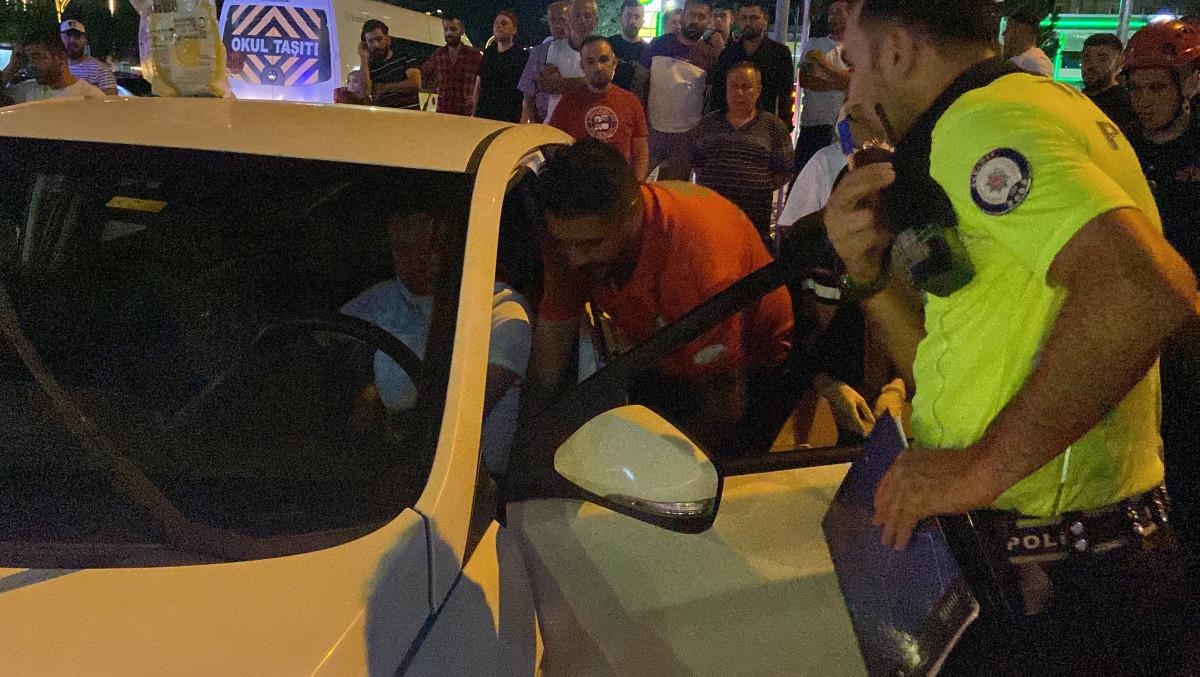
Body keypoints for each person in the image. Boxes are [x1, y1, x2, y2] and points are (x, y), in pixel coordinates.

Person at [824, 1, 1199, 673]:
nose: (852, 95)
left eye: (854, 63)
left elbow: (1146, 292)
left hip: (1053, 580)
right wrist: (870, 276)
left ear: (896, 52)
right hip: (1059, 559)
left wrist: (977, 470)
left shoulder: (980, 123)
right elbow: (955, 359)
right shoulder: (1042, 105)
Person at [522, 139, 793, 456]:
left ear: (631, 215)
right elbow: (550, 350)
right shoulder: (574, 243)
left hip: (751, 367)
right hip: (665, 350)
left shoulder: (697, 266)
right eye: (563, 243)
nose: (574, 259)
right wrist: (525, 444)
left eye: (591, 244)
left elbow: (723, 408)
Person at [341, 200, 531, 477]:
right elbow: (321, 347)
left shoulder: (500, 308)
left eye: (429, 247)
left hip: (470, 483)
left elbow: (459, 418)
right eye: (401, 247)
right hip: (388, 473)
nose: (414, 259)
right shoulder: (380, 299)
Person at [1124, 19, 1200, 569]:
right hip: (1135, 321)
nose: (1145, 100)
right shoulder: (1120, 146)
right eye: (1137, 88)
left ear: (1186, 85)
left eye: (1157, 87)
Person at [693, 61, 794, 248]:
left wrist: (757, 185)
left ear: (758, 90)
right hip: (710, 216)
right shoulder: (708, 123)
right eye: (733, 86)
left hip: (753, 219)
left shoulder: (773, 127)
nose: (739, 93)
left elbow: (785, 170)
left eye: (746, 87)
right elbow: (698, 163)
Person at [634, 0, 724, 180]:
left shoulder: (709, 55)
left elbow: (711, 98)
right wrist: (640, 121)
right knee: (635, 182)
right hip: (652, 131)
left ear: (708, 22)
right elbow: (639, 82)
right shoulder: (658, 44)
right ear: (682, 16)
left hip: (685, 138)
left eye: (701, 17)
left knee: (673, 189)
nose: (695, 21)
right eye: (692, 14)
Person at [548, 37, 649, 180]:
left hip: (619, 183)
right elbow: (553, 144)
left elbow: (640, 150)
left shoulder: (631, 102)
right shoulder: (568, 102)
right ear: (582, 66)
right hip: (580, 182)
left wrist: (638, 184)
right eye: (590, 62)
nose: (598, 67)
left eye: (604, 60)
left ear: (614, 63)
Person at [709, 1, 797, 130]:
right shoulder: (729, 53)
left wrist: (784, 126)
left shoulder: (780, 53)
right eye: (744, 18)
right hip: (731, 125)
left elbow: (785, 94)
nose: (748, 23)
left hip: (765, 125)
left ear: (765, 20)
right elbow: (719, 92)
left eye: (754, 18)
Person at [795, 0, 851, 172]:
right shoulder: (814, 44)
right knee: (805, 171)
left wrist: (822, 63)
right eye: (831, 12)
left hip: (846, 126)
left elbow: (854, 82)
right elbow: (806, 80)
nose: (832, 16)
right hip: (814, 123)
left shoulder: (856, 49)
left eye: (838, 11)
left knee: (844, 167)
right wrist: (842, 83)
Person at [535, 0, 598, 123]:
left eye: (587, 16)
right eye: (577, 15)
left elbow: (599, 88)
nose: (582, 21)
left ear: (596, 20)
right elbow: (547, 85)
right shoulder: (555, 47)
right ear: (569, 19)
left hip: (586, 123)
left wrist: (563, 82)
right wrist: (584, 81)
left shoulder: (602, 51)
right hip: (556, 122)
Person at [7, 29, 105, 103]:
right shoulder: (27, 90)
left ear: (60, 57)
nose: (31, 65)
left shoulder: (89, 96)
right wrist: (12, 67)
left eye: (36, 57)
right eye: (27, 59)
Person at [518, 1, 570, 123]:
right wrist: (528, 120)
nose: (557, 25)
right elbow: (528, 91)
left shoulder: (584, 51)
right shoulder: (539, 52)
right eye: (553, 20)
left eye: (562, 19)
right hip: (544, 119)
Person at [421, 15, 483, 116]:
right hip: (443, 110)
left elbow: (485, 79)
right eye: (446, 29)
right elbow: (423, 74)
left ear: (462, 30)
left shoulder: (473, 55)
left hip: (465, 112)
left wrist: (475, 96)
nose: (449, 33)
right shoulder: (438, 54)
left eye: (453, 29)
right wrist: (434, 88)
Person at [474, 11, 529, 122]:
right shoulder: (488, 54)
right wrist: (474, 111)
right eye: (496, 24)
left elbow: (527, 91)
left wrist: (524, 118)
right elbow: (478, 85)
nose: (499, 27)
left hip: (509, 117)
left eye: (504, 24)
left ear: (514, 30)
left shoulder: (522, 57)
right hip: (483, 115)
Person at [359, 20, 421, 110]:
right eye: (370, 41)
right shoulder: (370, 68)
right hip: (384, 116)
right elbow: (364, 92)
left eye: (379, 39)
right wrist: (363, 58)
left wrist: (385, 87)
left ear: (387, 39)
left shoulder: (405, 56)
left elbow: (415, 83)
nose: (376, 45)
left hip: (408, 114)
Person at [1080, 33, 1136, 132]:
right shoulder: (1076, 99)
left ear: (1119, 62)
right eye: (1087, 59)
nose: (1091, 65)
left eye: (1102, 60)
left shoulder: (1125, 106)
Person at [59, 20, 117, 96]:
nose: (72, 40)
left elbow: (111, 101)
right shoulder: (54, 70)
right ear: (60, 38)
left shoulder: (102, 71)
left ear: (85, 40)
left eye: (77, 36)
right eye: (68, 35)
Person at [608, 0, 646, 92]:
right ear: (620, 18)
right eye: (628, 16)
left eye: (637, 17)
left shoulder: (648, 51)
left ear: (642, 22)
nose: (632, 21)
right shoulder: (607, 46)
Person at [1003, 10, 1053, 77]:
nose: (1004, 34)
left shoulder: (1032, 62)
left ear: (1022, 31)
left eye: (1009, 28)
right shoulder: (1035, 60)